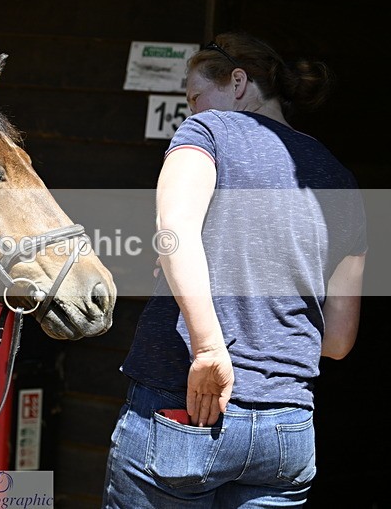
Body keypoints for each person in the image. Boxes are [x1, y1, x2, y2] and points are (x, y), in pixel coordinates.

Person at [101, 31, 367, 508]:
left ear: (238, 83)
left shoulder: (208, 132)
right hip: (286, 428)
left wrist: (209, 349)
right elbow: (340, 341)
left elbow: (174, 229)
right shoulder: (341, 180)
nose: (192, 110)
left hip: (184, 410)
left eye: (195, 96)